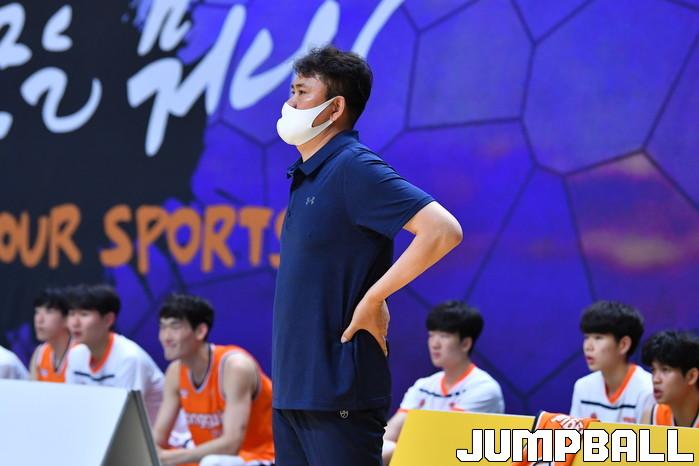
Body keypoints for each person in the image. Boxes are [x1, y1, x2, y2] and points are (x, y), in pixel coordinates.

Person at [272, 45, 463, 465]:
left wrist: (375, 298)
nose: (290, 103)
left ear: (334, 107)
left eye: (302, 92)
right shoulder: (309, 173)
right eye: (291, 91)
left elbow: (443, 230)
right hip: (292, 391)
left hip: (338, 391)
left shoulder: (353, 166)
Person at [153, 294, 275, 466]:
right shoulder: (174, 372)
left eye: (175, 326)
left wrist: (168, 458)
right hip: (210, 458)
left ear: (200, 331)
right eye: (162, 327)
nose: (166, 337)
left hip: (261, 456)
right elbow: (157, 440)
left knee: (213, 462)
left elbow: (232, 445)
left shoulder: (235, 367)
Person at [382, 301, 504, 464]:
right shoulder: (423, 386)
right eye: (431, 335)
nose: (435, 344)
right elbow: (389, 434)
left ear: (466, 343)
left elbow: (445, 441)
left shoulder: (484, 388)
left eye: (444, 336)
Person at [64, 284, 166, 424]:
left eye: (84, 314)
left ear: (108, 320)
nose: (75, 323)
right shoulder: (76, 355)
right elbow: (73, 406)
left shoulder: (129, 358)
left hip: (154, 435)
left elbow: (126, 417)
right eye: (71, 314)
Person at [569, 300, 653, 423]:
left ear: (623, 344)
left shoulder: (647, 391)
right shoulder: (583, 387)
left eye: (598, 338)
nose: (588, 346)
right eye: (586, 337)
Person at [641, 330, 699, 428]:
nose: (655, 380)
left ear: (691, 376)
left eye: (665, 370)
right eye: (653, 370)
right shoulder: (652, 416)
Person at [29, 287, 72, 382]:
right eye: (37, 312)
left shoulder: (80, 353)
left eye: (49, 312)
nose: (39, 320)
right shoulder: (40, 353)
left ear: (67, 318)